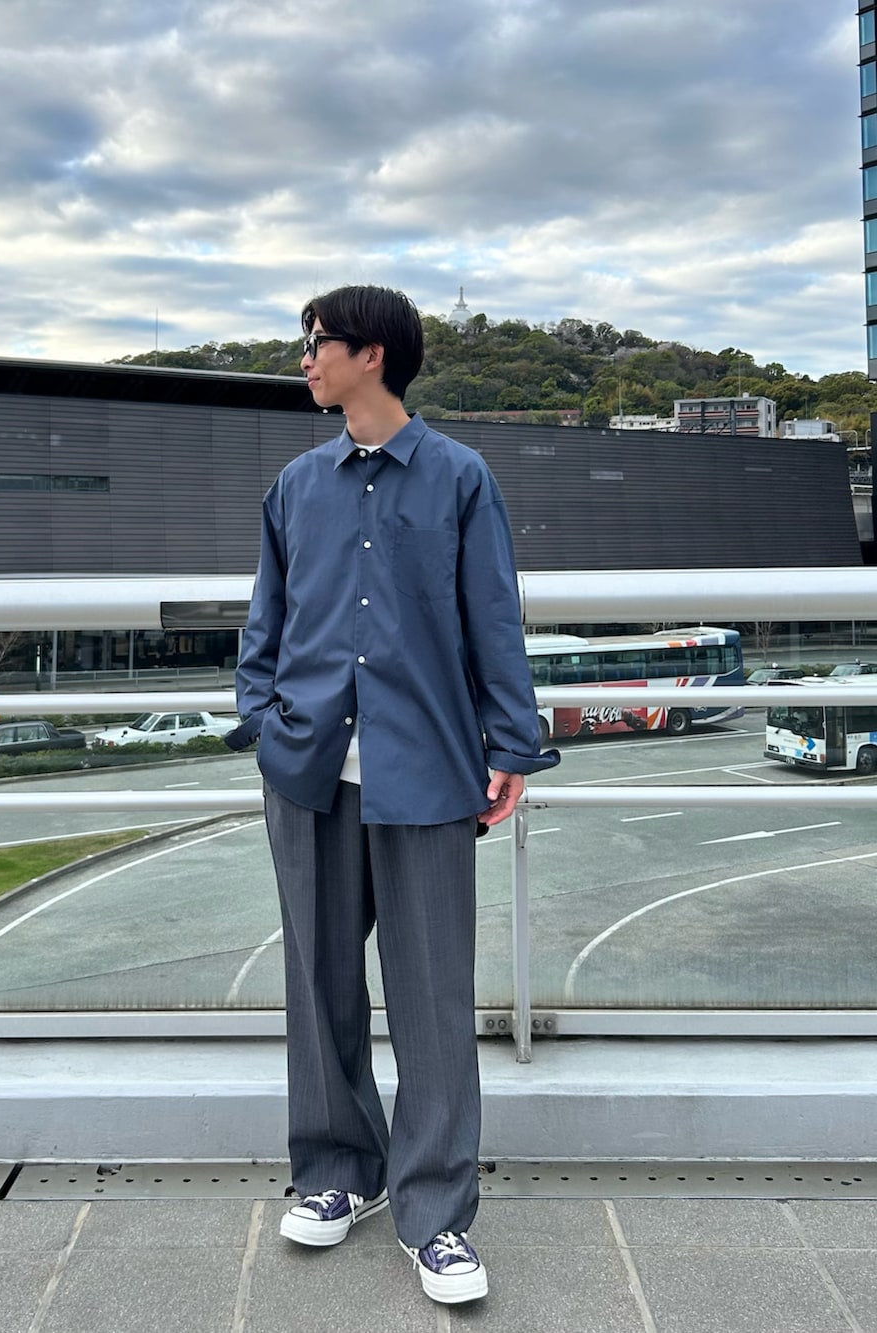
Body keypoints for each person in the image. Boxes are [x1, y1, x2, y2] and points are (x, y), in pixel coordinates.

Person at [227, 285, 558, 1306]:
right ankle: (337, 1169)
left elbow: (492, 617)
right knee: (319, 982)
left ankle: (436, 1212)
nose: (304, 360)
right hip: (309, 771)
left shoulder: (460, 477)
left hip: (426, 771)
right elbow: (266, 619)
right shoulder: (296, 486)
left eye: (316, 343)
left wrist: (512, 742)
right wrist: (264, 721)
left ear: (371, 353)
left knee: (432, 997)